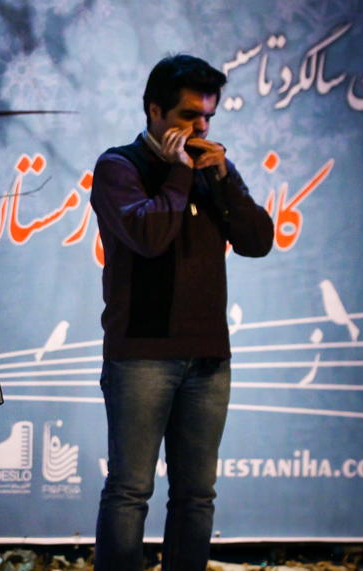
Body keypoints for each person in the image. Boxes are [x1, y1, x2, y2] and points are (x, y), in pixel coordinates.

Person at [90, 54, 274, 571]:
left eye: (208, 117)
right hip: (142, 355)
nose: (202, 128)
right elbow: (149, 235)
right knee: (130, 490)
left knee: (196, 496)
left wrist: (224, 178)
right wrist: (178, 173)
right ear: (154, 110)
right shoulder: (119, 167)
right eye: (189, 116)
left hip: (209, 357)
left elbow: (258, 240)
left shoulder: (211, 170)